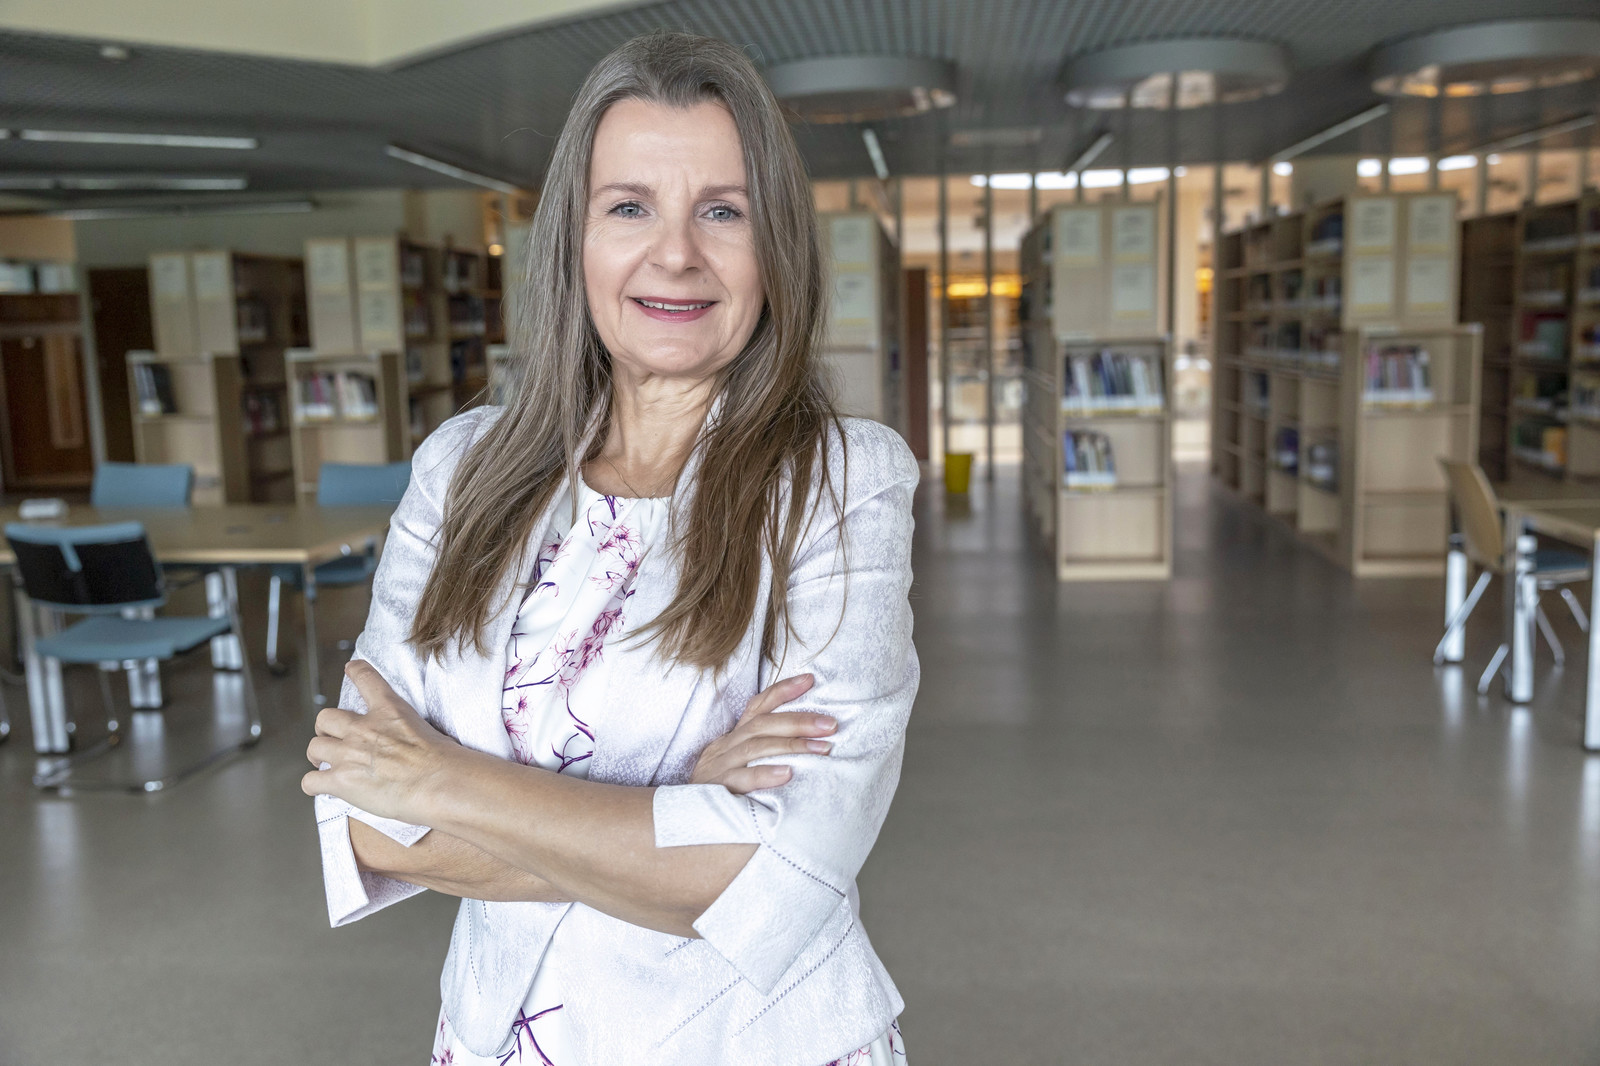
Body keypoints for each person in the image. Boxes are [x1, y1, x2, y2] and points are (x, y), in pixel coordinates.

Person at [301, 30, 918, 1066]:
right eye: (629, 207)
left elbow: (776, 874)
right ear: (573, 242)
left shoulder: (841, 481)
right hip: (495, 1037)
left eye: (722, 211)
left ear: (776, 248)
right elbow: (365, 826)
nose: (675, 254)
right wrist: (683, 808)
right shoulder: (462, 470)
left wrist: (443, 782)